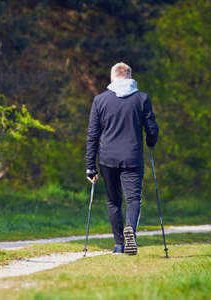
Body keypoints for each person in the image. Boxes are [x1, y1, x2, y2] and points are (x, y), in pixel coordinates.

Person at [85, 62, 159, 255]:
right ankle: (131, 232)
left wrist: (89, 167)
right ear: (130, 77)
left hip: (107, 158)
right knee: (133, 199)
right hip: (132, 157)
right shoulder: (142, 99)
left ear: (112, 78)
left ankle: (119, 245)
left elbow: (93, 135)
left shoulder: (100, 100)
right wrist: (151, 141)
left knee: (113, 201)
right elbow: (152, 129)